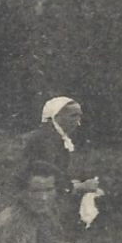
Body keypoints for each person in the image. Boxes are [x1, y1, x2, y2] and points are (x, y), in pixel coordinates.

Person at [24, 97, 100, 231]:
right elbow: (46, 173)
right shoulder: (44, 139)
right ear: (57, 116)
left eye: (79, 116)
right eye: (73, 116)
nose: (78, 122)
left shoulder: (59, 138)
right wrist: (79, 186)